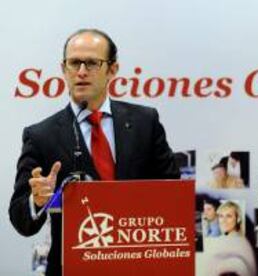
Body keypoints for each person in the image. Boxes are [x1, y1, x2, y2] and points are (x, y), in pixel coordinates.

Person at [8, 29, 179, 276]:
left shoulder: (145, 122)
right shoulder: (40, 136)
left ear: (112, 69)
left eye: (92, 63)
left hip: (140, 265)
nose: (81, 71)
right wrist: (37, 201)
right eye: (74, 63)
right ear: (63, 69)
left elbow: (172, 194)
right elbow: (20, 219)